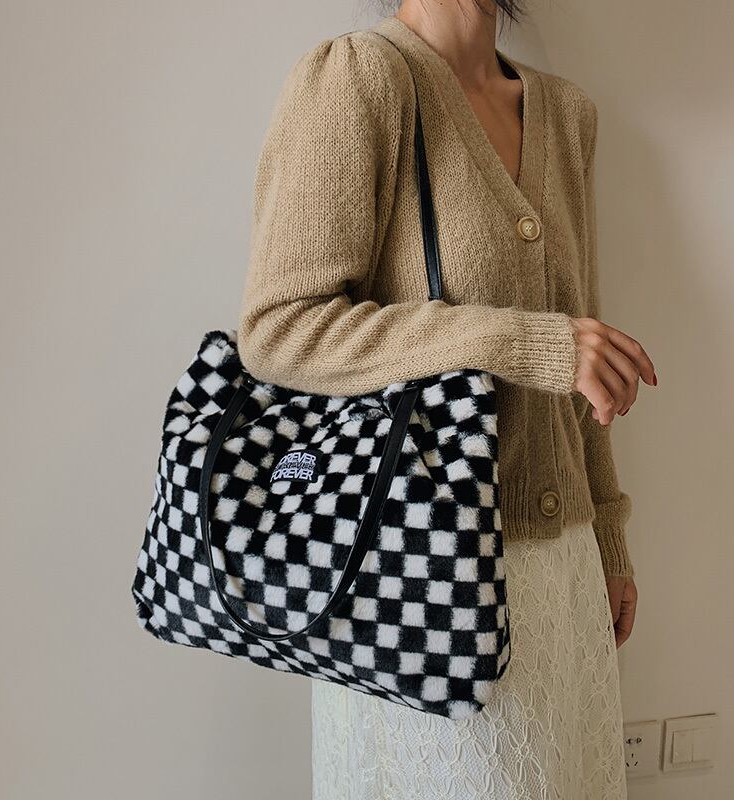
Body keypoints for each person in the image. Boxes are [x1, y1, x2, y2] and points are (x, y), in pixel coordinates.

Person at [237, 1, 657, 797]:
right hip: (419, 573)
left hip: (563, 582)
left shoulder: (566, 113)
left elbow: (583, 359)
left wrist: (608, 537)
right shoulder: (360, 80)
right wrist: (520, 342)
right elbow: (281, 331)